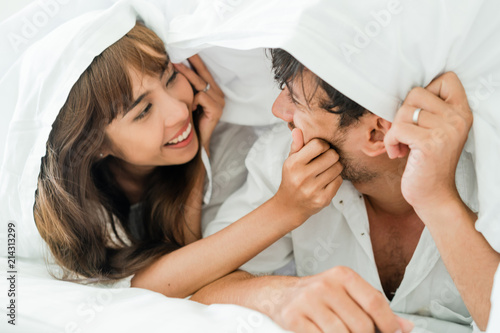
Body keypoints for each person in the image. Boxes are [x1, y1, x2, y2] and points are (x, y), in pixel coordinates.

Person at [32, 23, 347, 300]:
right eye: (143, 111)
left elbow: (192, 267)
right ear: (95, 145)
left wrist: (199, 156)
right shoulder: (83, 207)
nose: (179, 112)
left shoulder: (218, 139)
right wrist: (286, 209)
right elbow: (152, 288)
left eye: (170, 78)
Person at [194, 48, 500, 333]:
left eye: (296, 100)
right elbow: (198, 285)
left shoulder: (488, 175)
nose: (278, 110)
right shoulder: (286, 162)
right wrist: (279, 296)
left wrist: (438, 200)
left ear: (378, 133)